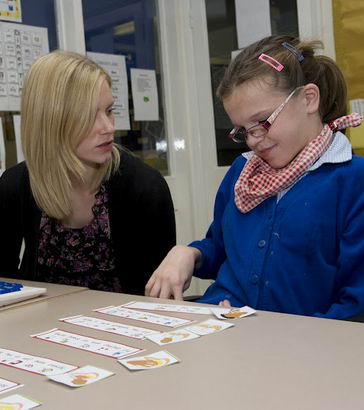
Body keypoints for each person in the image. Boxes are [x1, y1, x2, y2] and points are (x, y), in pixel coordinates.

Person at [145, 35, 364, 320]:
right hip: (225, 327)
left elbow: (356, 304)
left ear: (309, 99)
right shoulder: (243, 171)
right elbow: (221, 249)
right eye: (242, 130)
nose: (253, 140)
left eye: (262, 122)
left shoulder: (351, 180)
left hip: (306, 346)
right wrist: (189, 253)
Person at [0, 50, 176, 295]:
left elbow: (158, 297)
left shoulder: (144, 187)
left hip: (122, 326)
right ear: (51, 122)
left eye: (109, 110)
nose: (108, 127)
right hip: (38, 326)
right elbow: (4, 280)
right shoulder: (15, 184)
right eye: (88, 116)